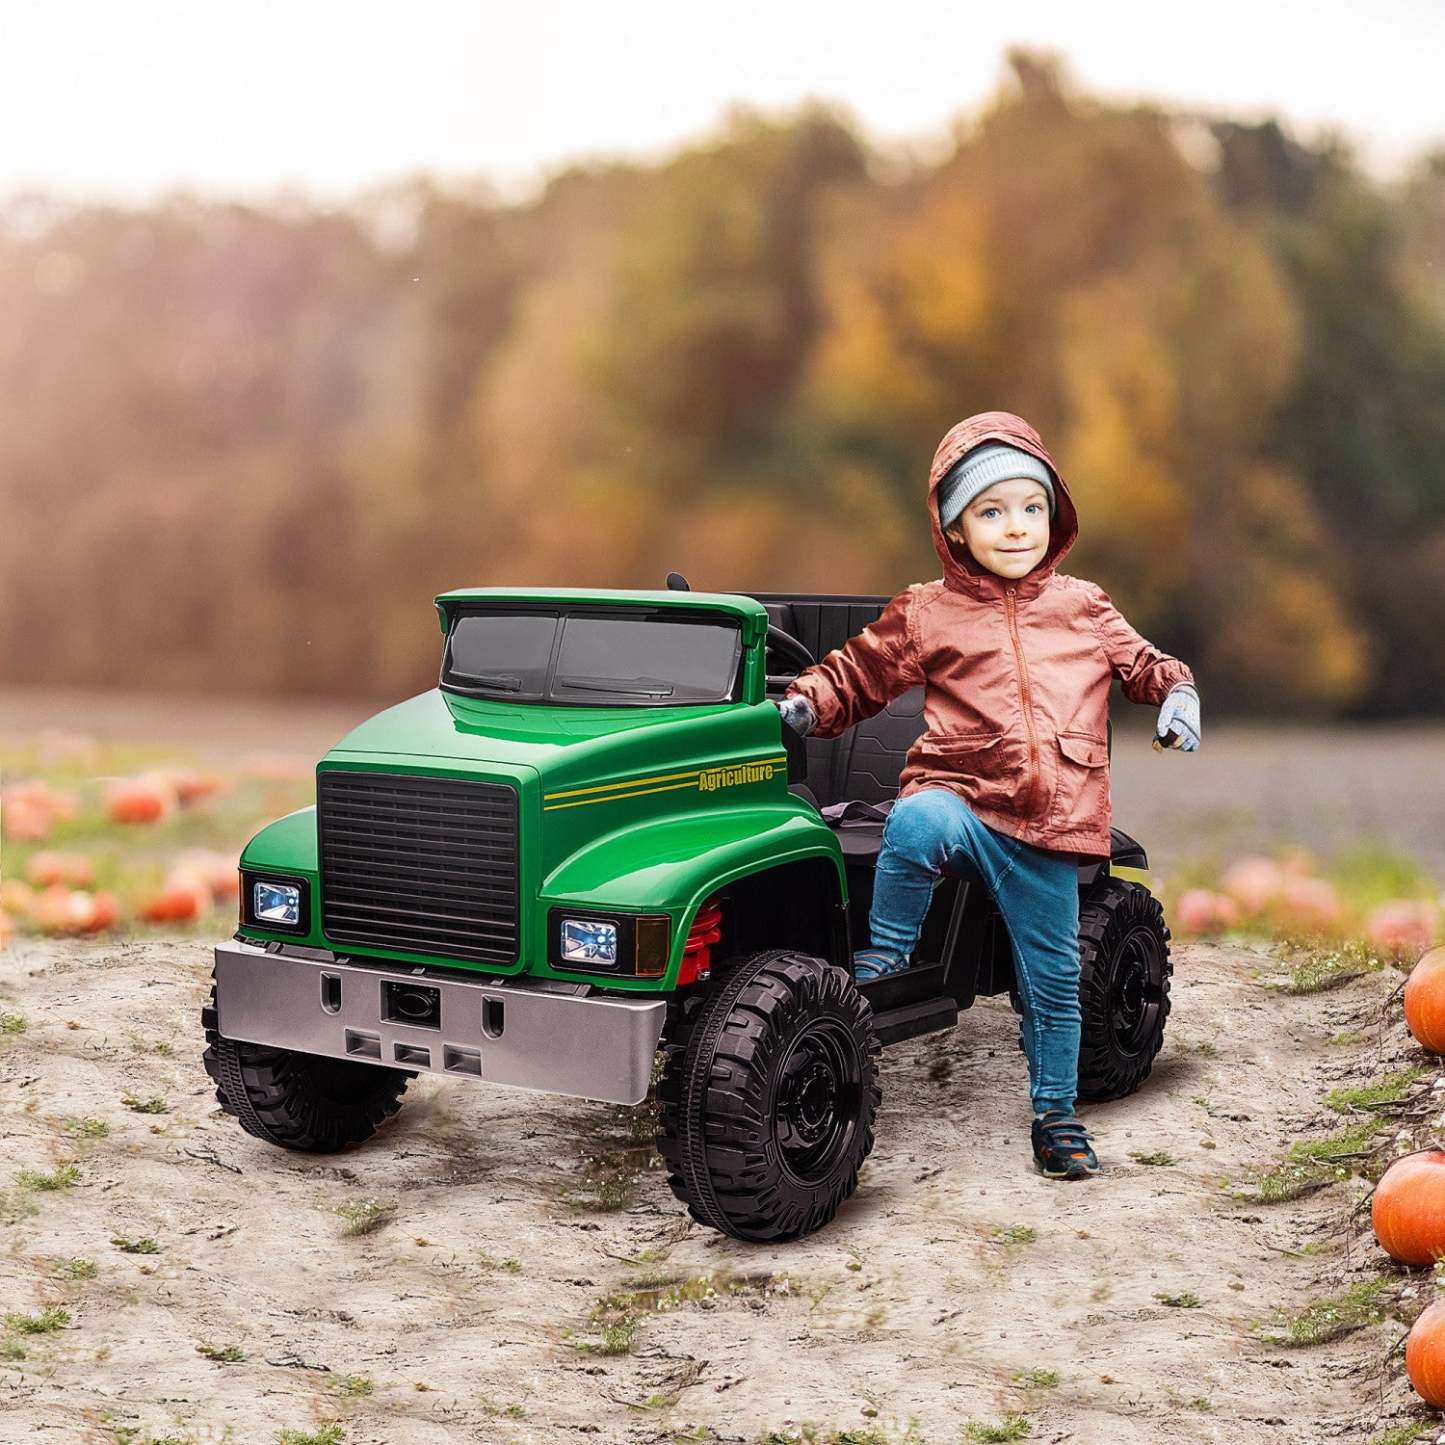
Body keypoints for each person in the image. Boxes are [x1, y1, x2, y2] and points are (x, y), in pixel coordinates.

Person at [774, 411, 1200, 1180]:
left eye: (1030, 508)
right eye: (990, 512)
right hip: (965, 798)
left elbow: (1144, 663)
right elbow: (858, 673)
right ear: (955, 529)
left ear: (1054, 515)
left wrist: (1175, 694)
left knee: (1055, 984)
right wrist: (806, 702)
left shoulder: (1082, 605)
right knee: (914, 819)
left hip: (1050, 826)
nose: (1014, 528)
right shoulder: (927, 610)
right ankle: (889, 947)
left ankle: (1055, 1114)